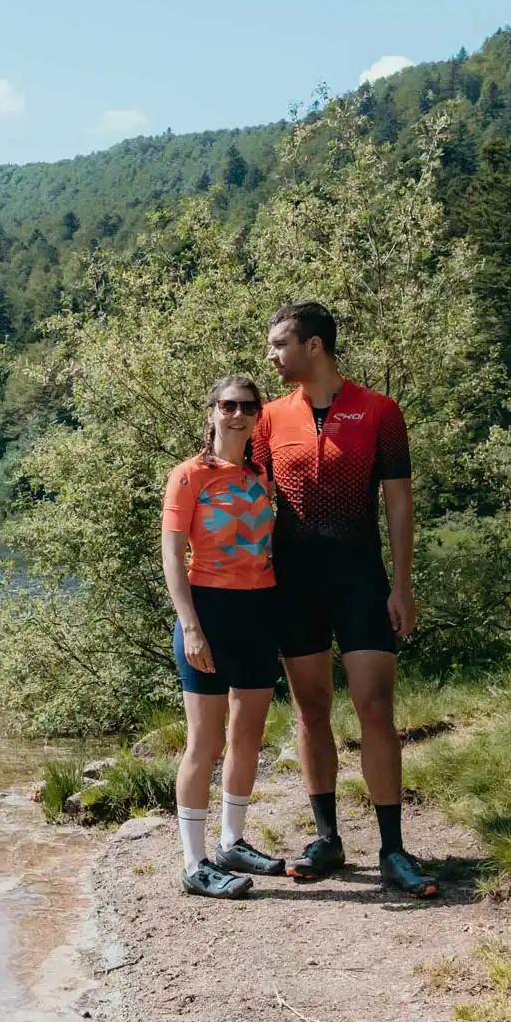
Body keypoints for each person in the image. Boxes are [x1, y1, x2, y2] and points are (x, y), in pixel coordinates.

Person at [254, 302, 438, 899]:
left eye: (280, 343)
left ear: (314, 347)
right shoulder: (269, 418)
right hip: (293, 581)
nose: (272, 355)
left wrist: (402, 586)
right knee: (310, 709)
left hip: (360, 576)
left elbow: (399, 505)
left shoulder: (380, 411)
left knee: (374, 706)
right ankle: (328, 838)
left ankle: (392, 849)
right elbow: (248, 498)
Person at [161, 375, 288, 899]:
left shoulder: (264, 477)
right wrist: (190, 625)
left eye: (248, 407)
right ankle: (194, 863)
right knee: (205, 741)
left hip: (259, 608)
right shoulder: (189, 476)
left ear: (258, 416)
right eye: (228, 405)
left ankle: (231, 842)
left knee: (248, 736)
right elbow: (172, 555)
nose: (238, 414)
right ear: (212, 411)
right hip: (208, 610)